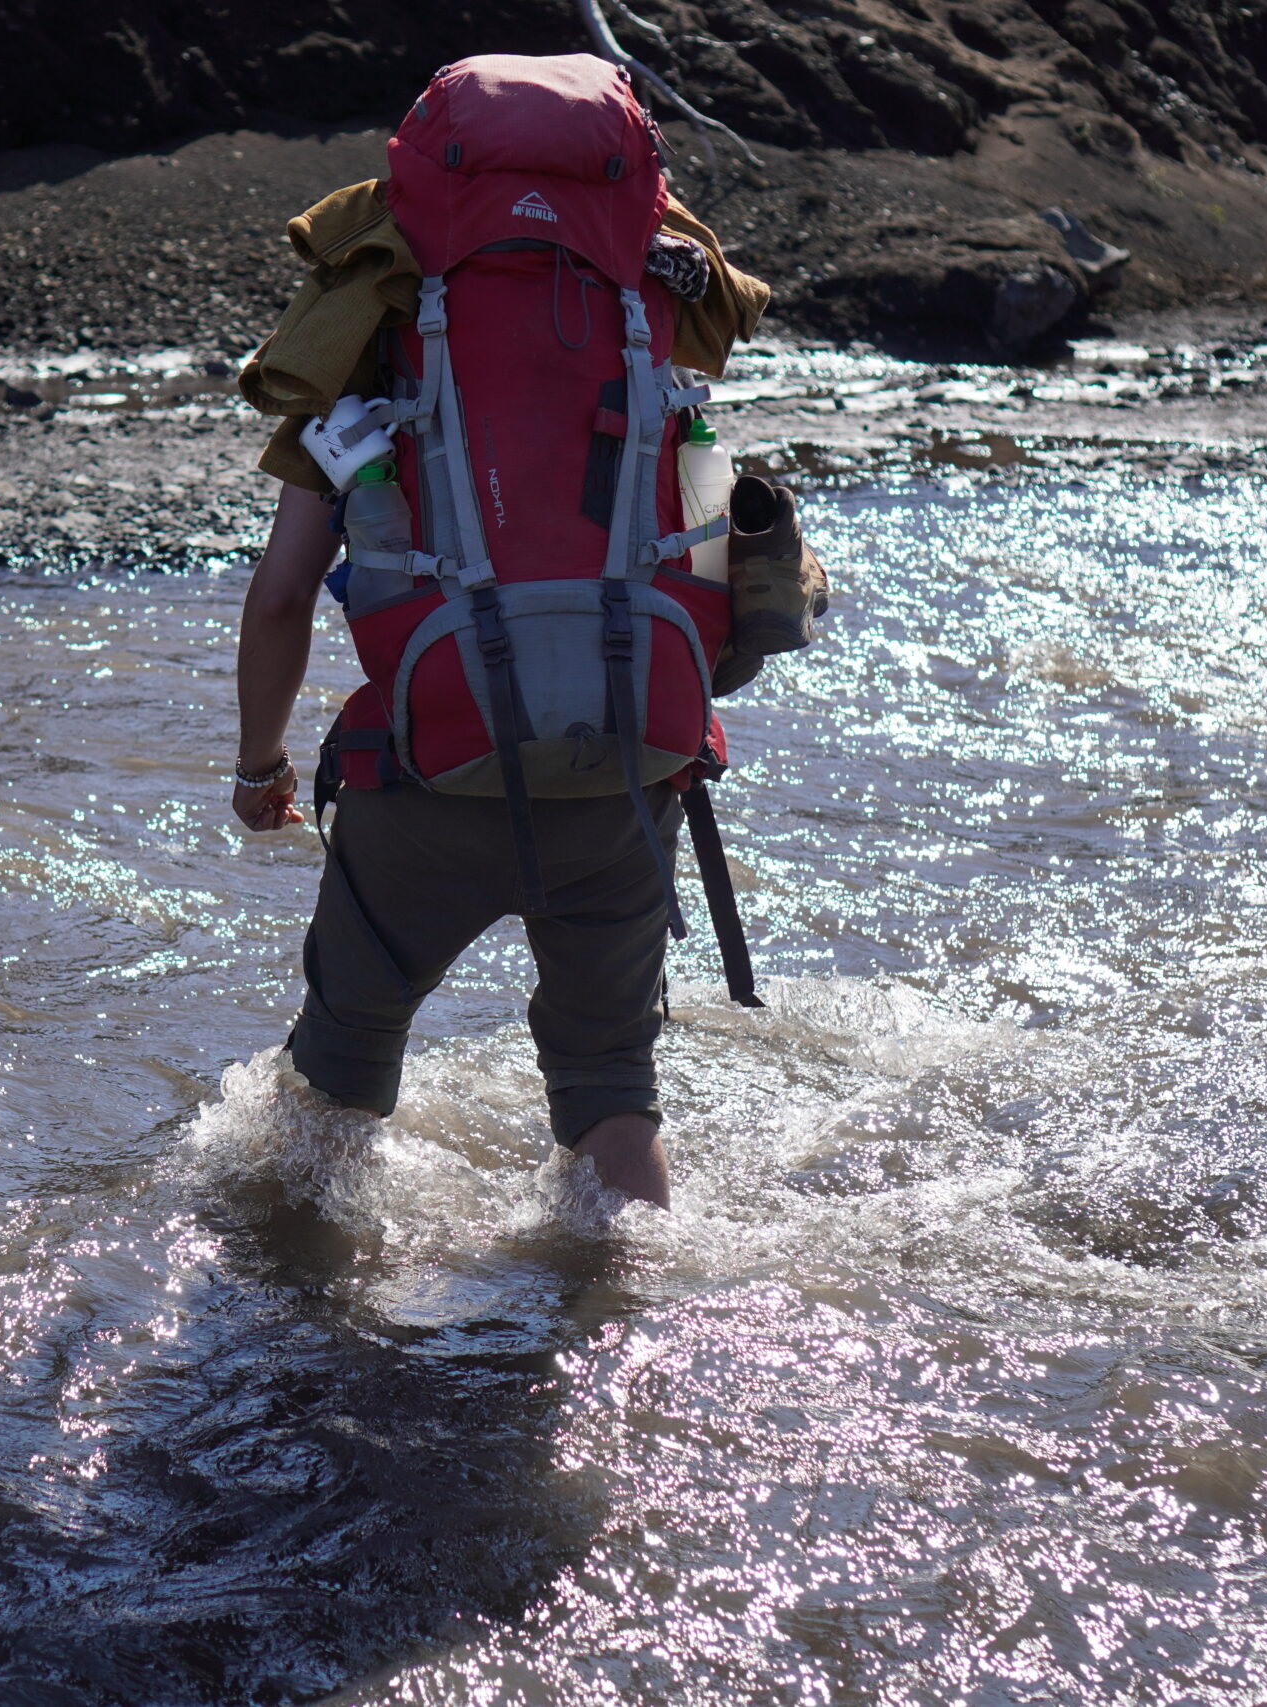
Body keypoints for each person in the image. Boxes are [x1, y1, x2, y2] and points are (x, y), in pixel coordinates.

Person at [226, 53, 776, 1211]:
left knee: (335, 1085)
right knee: (612, 1089)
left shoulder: (370, 320)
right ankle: (629, 1325)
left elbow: (282, 594)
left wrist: (259, 766)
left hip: (427, 770)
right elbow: (707, 544)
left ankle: (294, 1330)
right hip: (633, 768)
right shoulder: (657, 303)